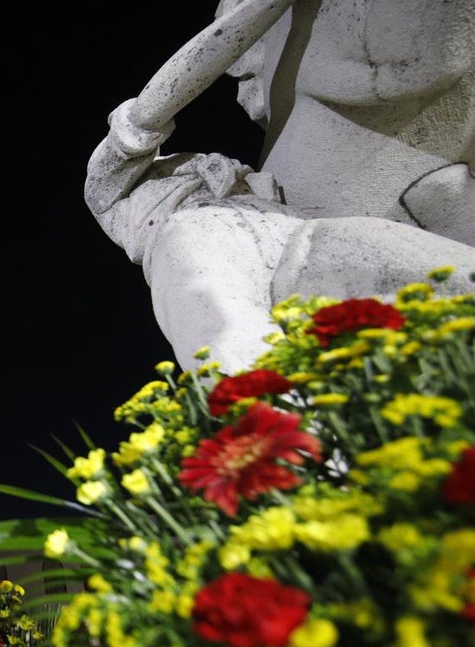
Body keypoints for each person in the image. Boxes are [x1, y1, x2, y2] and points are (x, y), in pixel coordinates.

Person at [84, 0, 475, 373]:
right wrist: (262, 9)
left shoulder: (221, 215)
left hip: (299, 241)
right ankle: (274, 421)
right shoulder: (141, 206)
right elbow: (155, 106)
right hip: (276, 248)